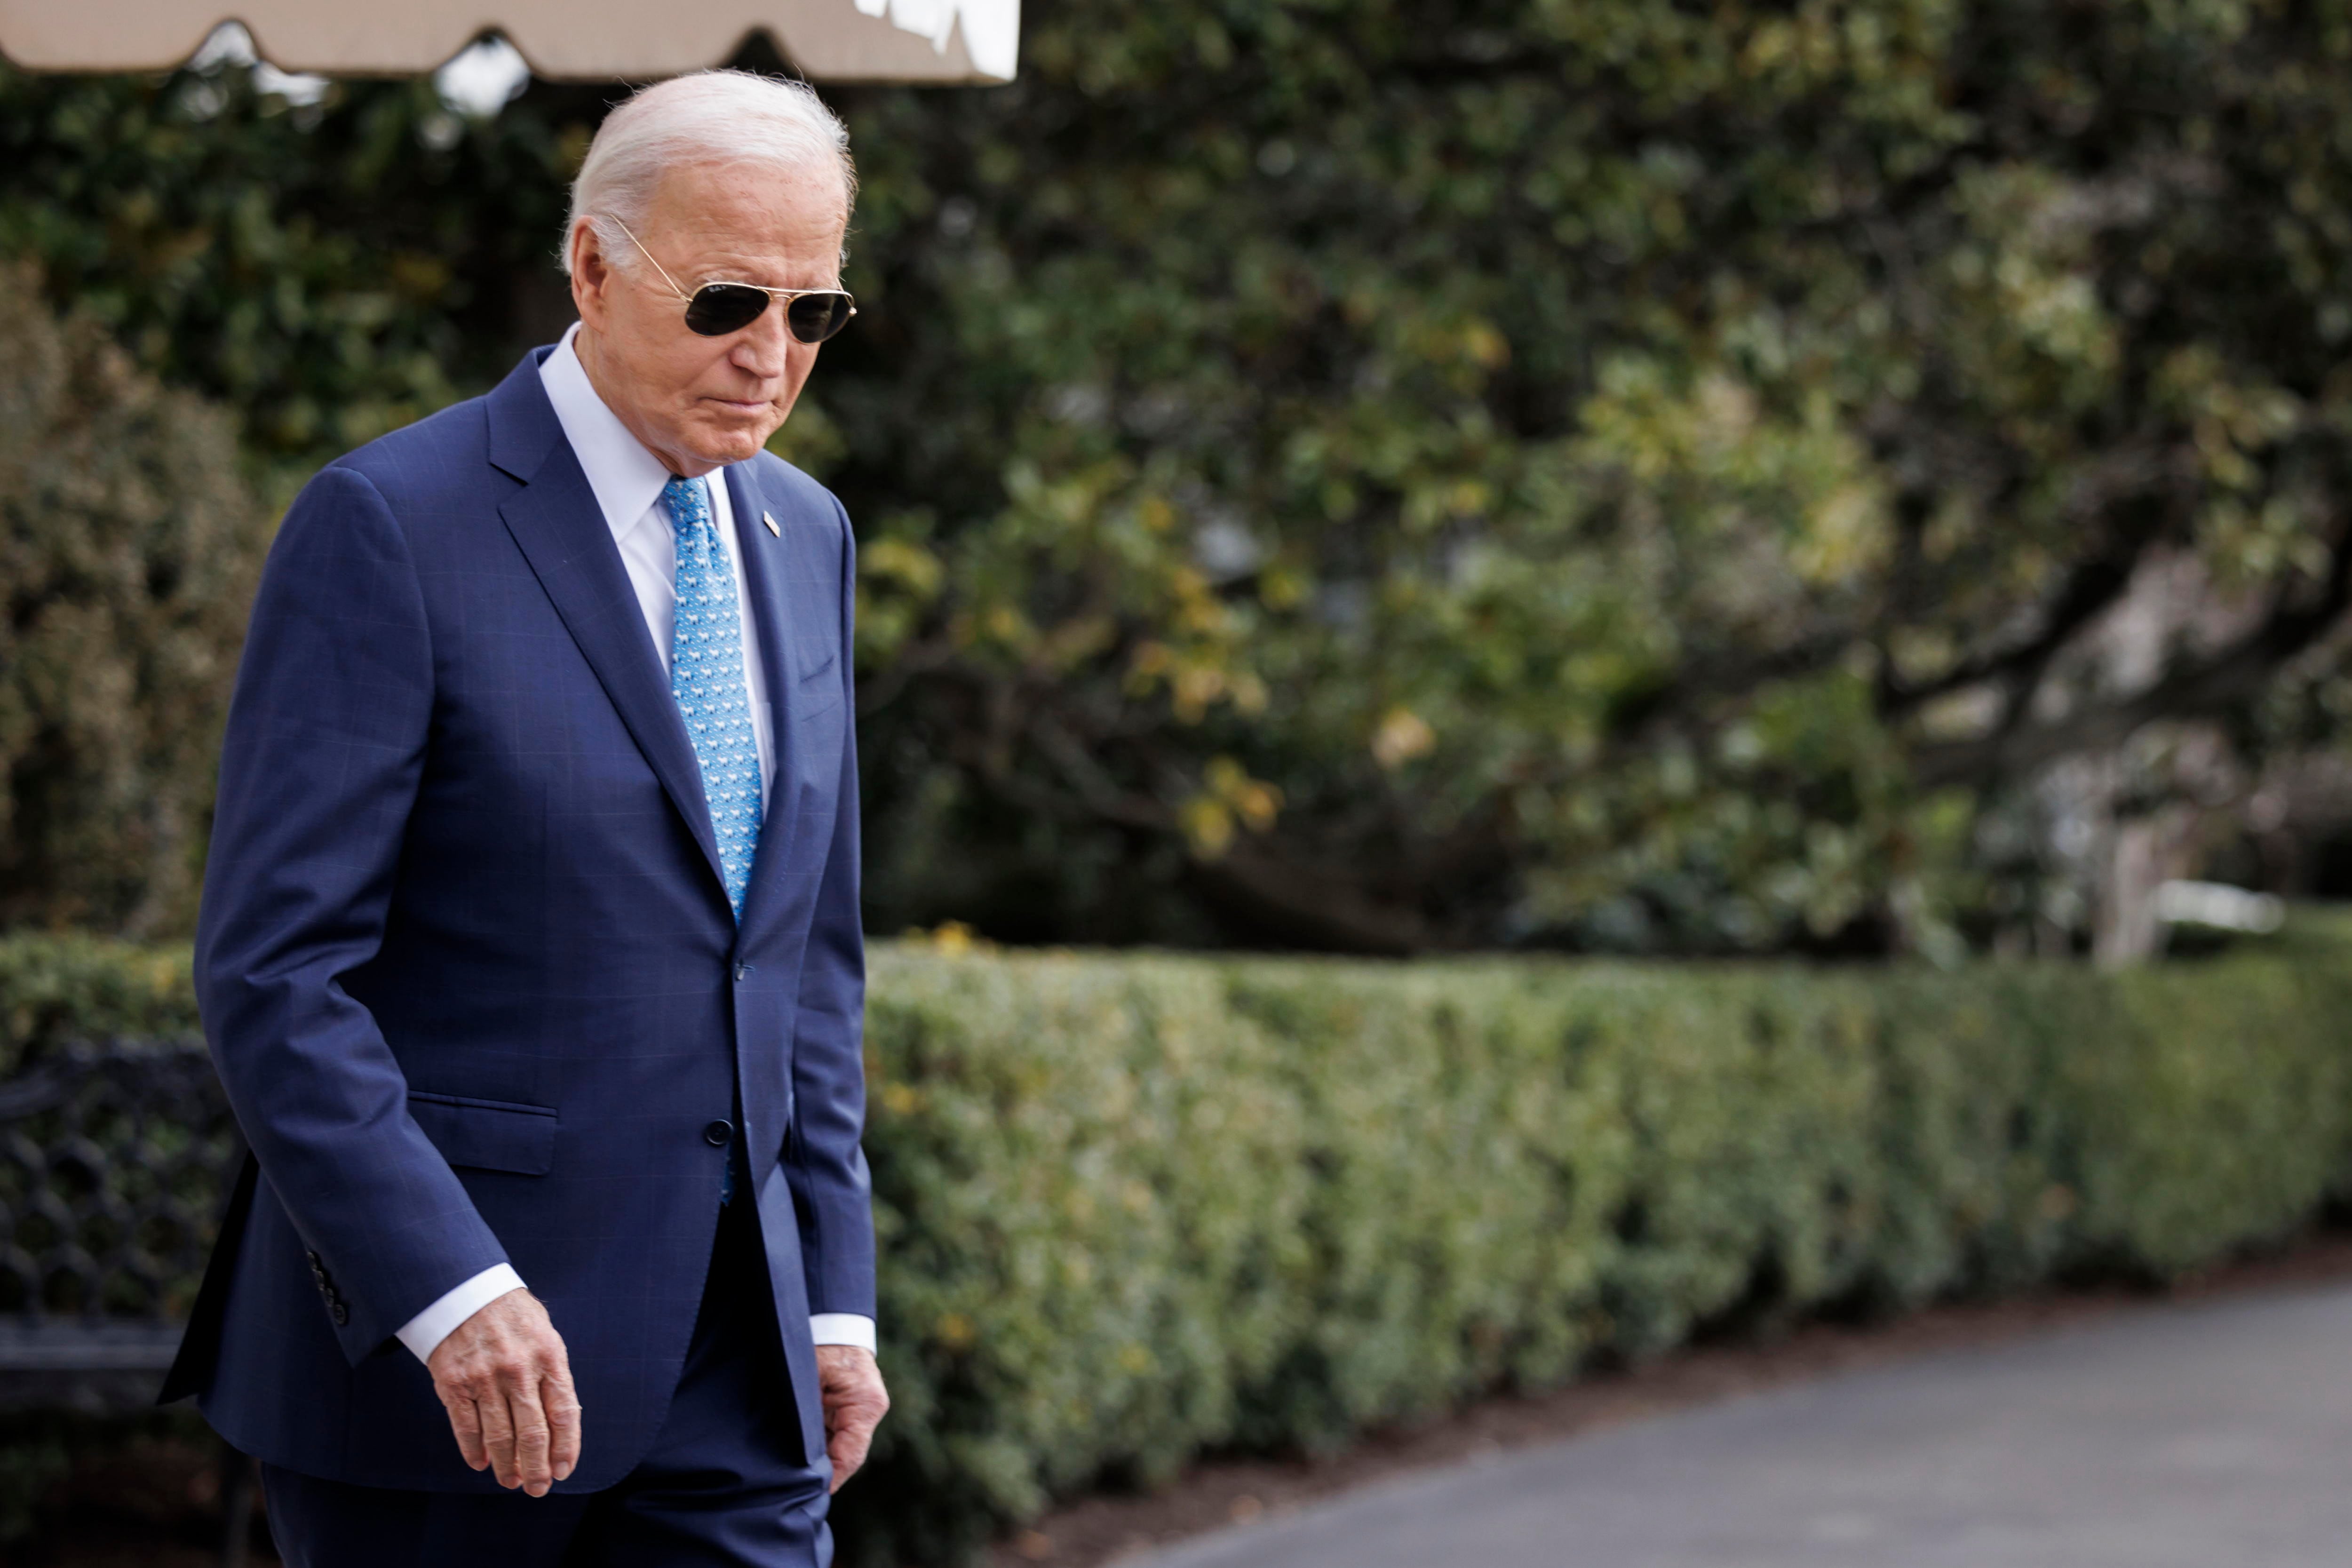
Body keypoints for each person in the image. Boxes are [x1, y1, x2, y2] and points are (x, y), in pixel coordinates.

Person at [160, 69, 888, 1567]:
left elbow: (803, 960)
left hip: (737, 1380)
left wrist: (830, 1295)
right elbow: (277, 977)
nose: (769, 358)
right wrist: (451, 1293)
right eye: (728, 303)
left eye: (811, 314)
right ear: (592, 264)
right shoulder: (387, 524)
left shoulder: (804, 532)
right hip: (450, 1384)